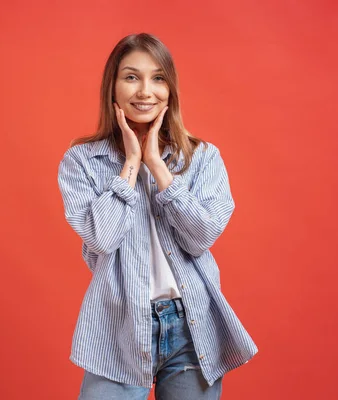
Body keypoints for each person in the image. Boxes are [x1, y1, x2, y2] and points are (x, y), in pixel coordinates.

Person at [57, 32, 258, 400]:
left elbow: (201, 238)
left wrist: (158, 168)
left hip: (191, 326)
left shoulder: (203, 158)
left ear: (171, 89)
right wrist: (131, 165)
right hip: (118, 323)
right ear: (113, 88)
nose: (145, 91)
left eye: (158, 78)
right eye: (132, 77)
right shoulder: (82, 161)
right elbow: (101, 238)